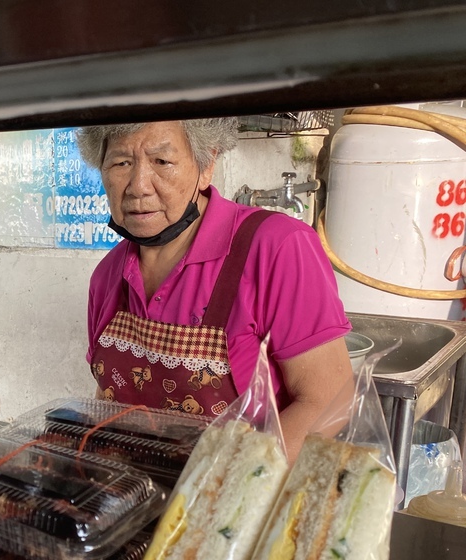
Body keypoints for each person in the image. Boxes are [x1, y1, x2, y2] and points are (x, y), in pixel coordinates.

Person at [77, 119, 352, 460]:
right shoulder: (107, 276)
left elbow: (330, 398)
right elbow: (106, 401)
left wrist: (231, 486)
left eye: (162, 162)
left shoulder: (277, 247)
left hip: (236, 498)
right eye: (121, 163)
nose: (138, 186)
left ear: (205, 166)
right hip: (137, 496)